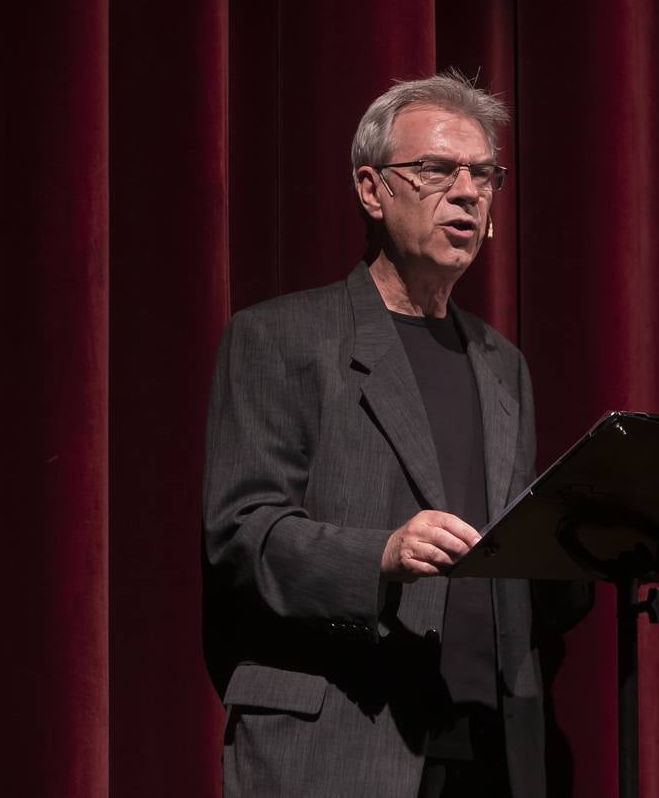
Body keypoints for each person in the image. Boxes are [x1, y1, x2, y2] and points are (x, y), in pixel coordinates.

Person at [202, 71, 587, 798]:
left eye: (483, 174)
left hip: (493, 749)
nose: (468, 191)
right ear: (372, 190)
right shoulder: (280, 339)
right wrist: (379, 553)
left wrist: (594, 539)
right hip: (342, 741)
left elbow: (523, 582)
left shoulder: (503, 364)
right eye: (438, 169)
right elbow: (241, 537)